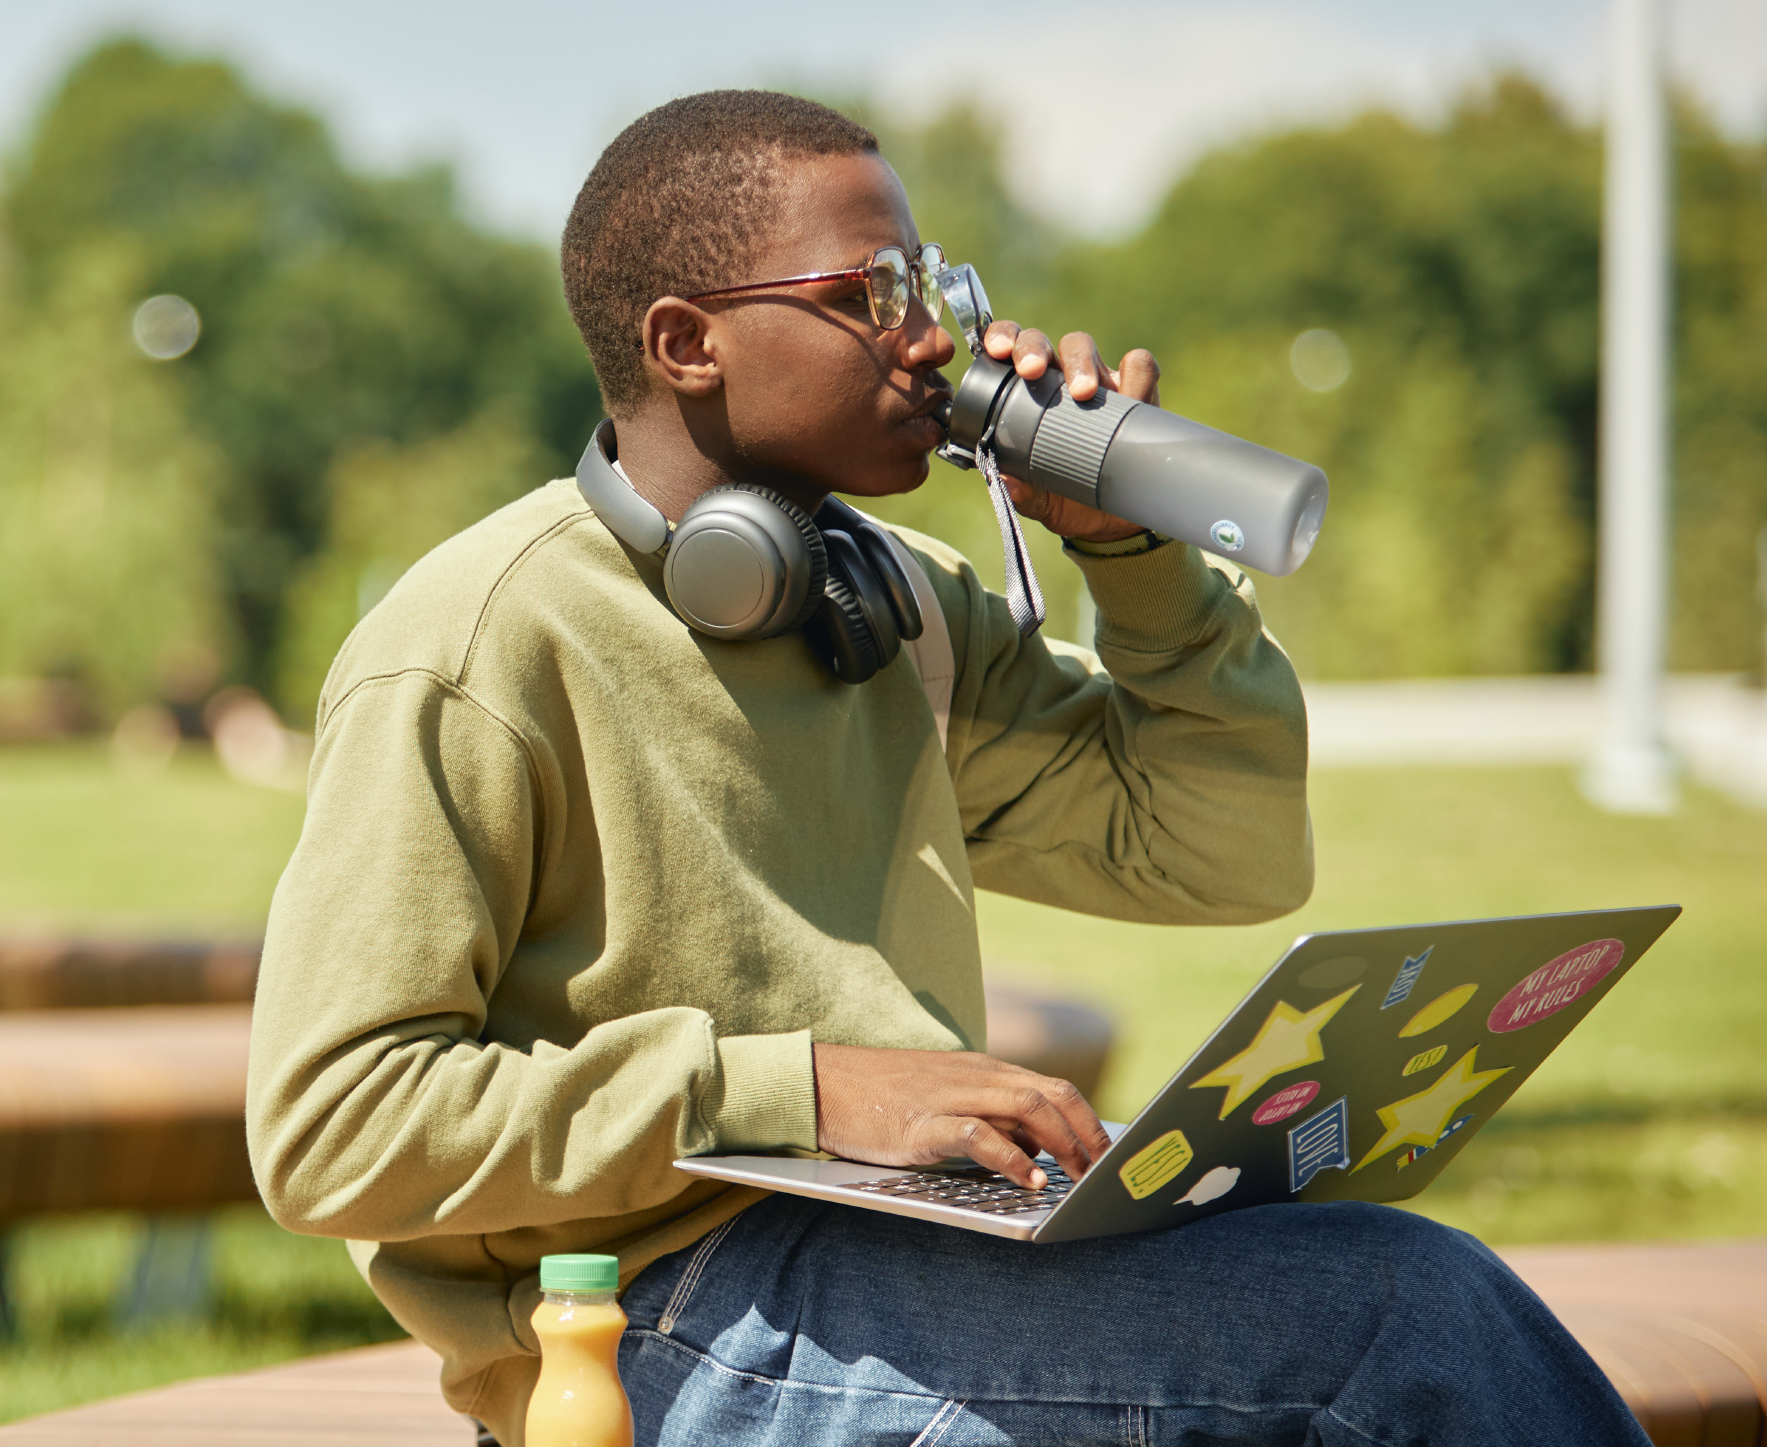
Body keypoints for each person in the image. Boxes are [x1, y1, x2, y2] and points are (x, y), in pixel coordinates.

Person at [245, 90, 1648, 1447]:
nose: (928, 341)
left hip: (903, 1247)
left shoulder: (887, 601)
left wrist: (1128, 556)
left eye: (931, 284)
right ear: (684, 341)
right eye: (870, 295)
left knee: (1373, 1278)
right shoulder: (474, 642)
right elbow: (332, 1126)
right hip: (650, 1316)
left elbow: (1218, 853)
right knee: (1403, 1308)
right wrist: (805, 1090)